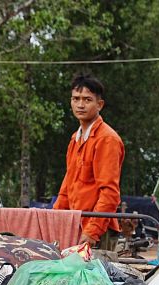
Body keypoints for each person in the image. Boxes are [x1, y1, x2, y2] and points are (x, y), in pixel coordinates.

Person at [53, 74, 125, 251]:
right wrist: (53, 221)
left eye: (87, 99)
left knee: (94, 278)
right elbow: (66, 189)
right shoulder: (74, 139)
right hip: (74, 227)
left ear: (99, 104)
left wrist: (92, 232)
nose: (80, 104)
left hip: (98, 231)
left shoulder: (107, 139)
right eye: (75, 99)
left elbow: (110, 193)